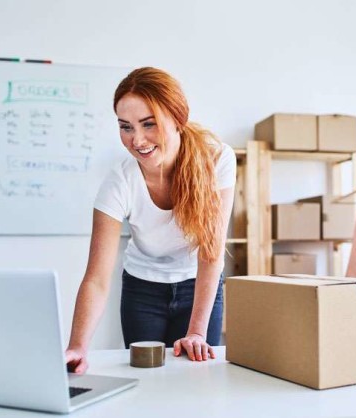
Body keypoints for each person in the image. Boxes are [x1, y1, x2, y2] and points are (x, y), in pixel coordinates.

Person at [65, 67, 236, 373]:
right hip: (142, 290)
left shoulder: (217, 159)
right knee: (146, 379)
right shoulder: (120, 181)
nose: (137, 140)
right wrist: (77, 346)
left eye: (149, 124)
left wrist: (196, 331)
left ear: (177, 118)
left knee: (197, 380)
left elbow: (211, 253)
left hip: (197, 286)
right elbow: (96, 279)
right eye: (125, 127)